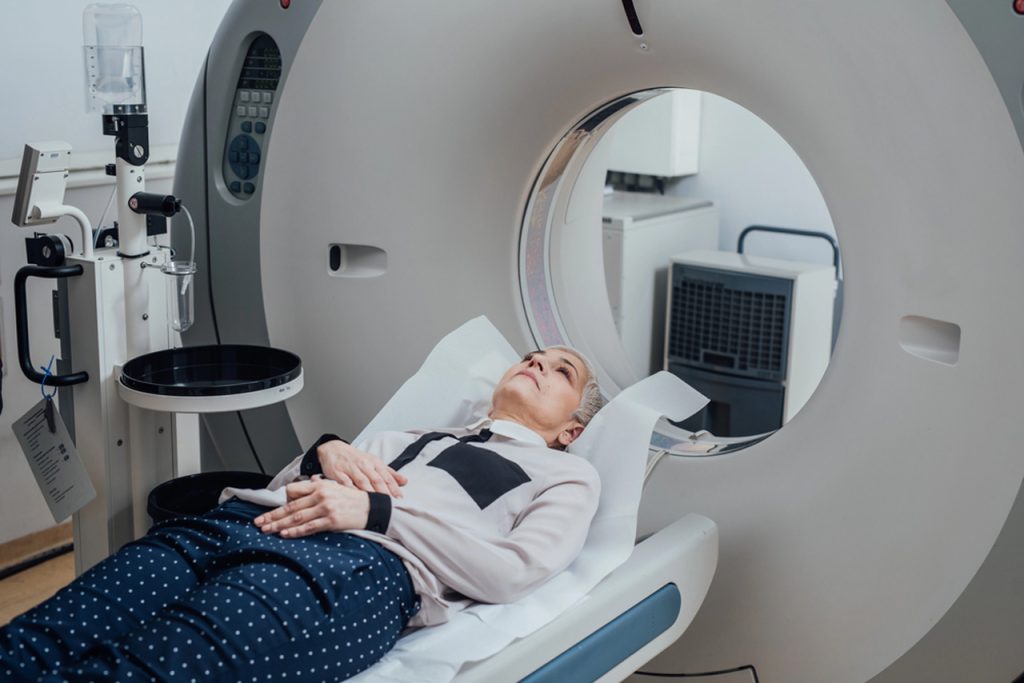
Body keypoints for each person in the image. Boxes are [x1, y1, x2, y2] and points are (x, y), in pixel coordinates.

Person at [0, 346, 604, 682]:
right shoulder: (407, 434)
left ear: (573, 429)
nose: (537, 364)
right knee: (32, 641)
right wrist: (323, 450)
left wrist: (375, 512)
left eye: (560, 370)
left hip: (352, 566)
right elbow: (288, 486)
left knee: (135, 672)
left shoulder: (567, 474)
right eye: (532, 356)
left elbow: (512, 570)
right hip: (232, 524)